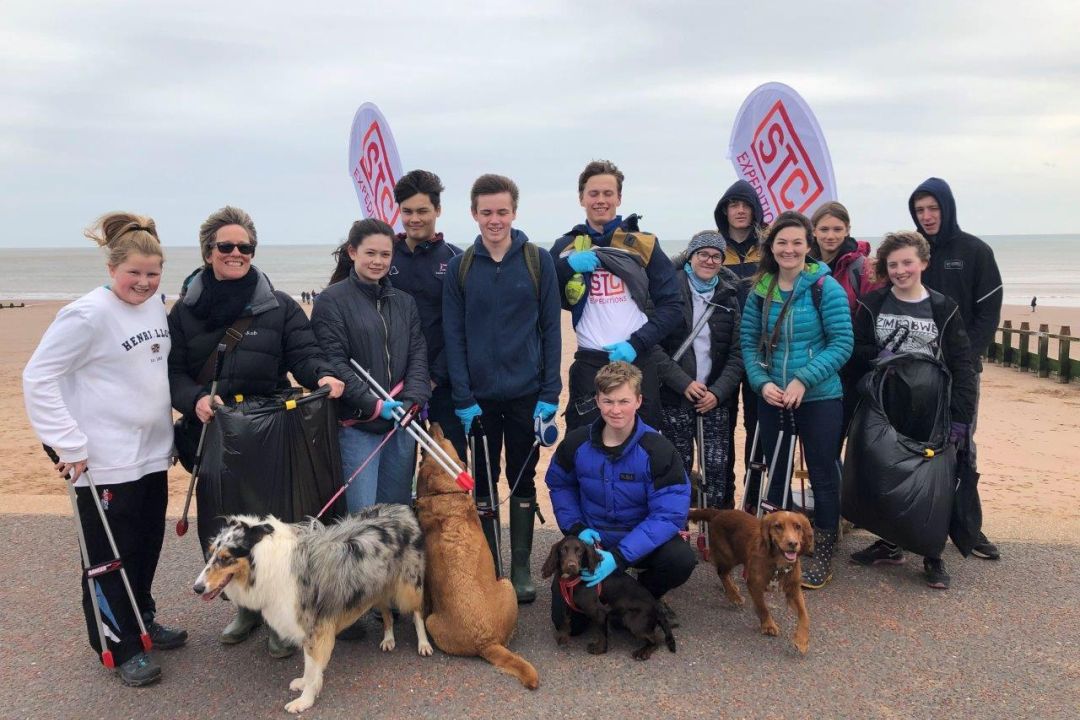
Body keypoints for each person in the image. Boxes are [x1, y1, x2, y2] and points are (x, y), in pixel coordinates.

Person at [167, 206, 344, 658]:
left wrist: (322, 374)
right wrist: (194, 400)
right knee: (224, 523)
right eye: (226, 246)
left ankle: (275, 616)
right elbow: (174, 374)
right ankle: (242, 607)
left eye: (245, 247)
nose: (236, 253)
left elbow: (304, 353)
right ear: (209, 252)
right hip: (215, 432)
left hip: (272, 428)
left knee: (270, 524)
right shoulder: (184, 314)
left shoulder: (279, 305)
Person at [24, 213, 185, 686]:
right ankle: (118, 645)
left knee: (146, 546)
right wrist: (68, 444)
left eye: (153, 273)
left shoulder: (156, 304)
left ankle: (142, 617)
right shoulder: (86, 314)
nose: (143, 282)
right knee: (108, 557)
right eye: (133, 272)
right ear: (112, 269)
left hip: (151, 455)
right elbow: (38, 378)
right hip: (101, 463)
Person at [443, 174, 562, 603]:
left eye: (502, 211)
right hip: (478, 399)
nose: (495, 219)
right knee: (485, 481)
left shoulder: (537, 260)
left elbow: (551, 329)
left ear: (514, 211)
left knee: (523, 475)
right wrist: (463, 398)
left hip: (527, 394)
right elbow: (453, 336)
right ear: (474, 213)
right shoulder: (461, 266)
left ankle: (520, 570)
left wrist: (550, 393)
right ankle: (493, 566)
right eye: (486, 212)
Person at [848, 231, 977, 589]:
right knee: (884, 474)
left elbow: (962, 364)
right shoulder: (873, 303)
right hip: (885, 401)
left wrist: (961, 418)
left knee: (931, 478)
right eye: (893, 265)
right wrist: (878, 358)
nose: (901, 270)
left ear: (923, 262)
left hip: (931, 402)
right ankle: (890, 543)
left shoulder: (942, 306)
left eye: (907, 262)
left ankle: (932, 555)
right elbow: (856, 351)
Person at [740, 211, 853, 589]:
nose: (789, 249)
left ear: (809, 245)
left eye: (796, 242)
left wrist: (804, 379)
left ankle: (821, 549)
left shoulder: (825, 287)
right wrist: (760, 382)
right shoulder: (761, 290)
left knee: (823, 473)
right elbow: (749, 345)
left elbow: (842, 344)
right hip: (773, 397)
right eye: (781, 242)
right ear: (771, 247)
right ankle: (772, 549)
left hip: (820, 397)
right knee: (777, 472)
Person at [545, 361, 694, 634]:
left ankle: (643, 597)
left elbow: (669, 513)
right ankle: (609, 594)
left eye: (624, 401)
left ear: (638, 401)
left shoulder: (659, 449)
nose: (615, 410)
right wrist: (577, 528)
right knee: (569, 627)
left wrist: (620, 556)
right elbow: (559, 485)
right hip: (594, 542)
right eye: (608, 401)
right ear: (597, 401)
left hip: (639, 540)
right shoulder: (576, 443)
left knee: (680, 559)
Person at [550, 159, 682, 432]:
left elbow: (673, 305)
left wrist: (637, 343)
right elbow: (543, 292)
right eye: (593, 193)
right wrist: (566, 266)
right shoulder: (565, 246)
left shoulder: (643, 244)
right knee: (584, 447)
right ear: (581, 198)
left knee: (643, 447)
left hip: (637, 359)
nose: (601, 200)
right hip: (589, 363)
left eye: (608, 193)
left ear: (619, 198)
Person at [909, 178, 1003, 560]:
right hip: (916, 371)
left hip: (961, 371)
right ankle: (900, 529)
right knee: (912, 444)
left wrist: (963, 358)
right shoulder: (911, 251)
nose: (927, 216)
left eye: (933, 208)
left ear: (947, 208)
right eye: (919, 210)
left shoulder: (975, 251)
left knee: (961, 445)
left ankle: (967, 529)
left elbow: (988, 312)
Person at [312, 218, 431, 510]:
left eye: (385, 254)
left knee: (395, 514)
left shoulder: (404, 302)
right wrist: (373, 404)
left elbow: (417, 353)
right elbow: (334, 361)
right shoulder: (331, 301)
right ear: (353, 252)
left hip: (400, 423)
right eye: (370, 253)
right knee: (362, 517)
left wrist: (413, 399)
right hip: (357, 425)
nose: (378, 261)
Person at [655, 230, 744, 508]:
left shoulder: (729, 297)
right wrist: (683, 383)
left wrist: (717, 393)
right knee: (677, 471)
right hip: (674, 396)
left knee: (717, 473)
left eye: (716, 256)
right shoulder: (668, 291)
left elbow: (738, 352)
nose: (709, 260)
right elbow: (654, 347)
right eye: (703, 254)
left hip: (715, 399)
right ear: (690, 257)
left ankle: (716, 536)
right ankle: (676, 532)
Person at [388, 170, 465, 459]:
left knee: (448, 471)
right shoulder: (385, 257)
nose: (414, 219)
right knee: (398, 474)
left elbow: (461, 327)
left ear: (438, 210)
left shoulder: (456, 260)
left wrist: (434, 378)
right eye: (407, 211)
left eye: (422, 210)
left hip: (443, 385)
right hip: (395, 385)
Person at [809, 201, 883, 449]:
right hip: (814, 358)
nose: (831, 236)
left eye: (837, 229)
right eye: (825, 229)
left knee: (849, 436)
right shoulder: (804, 265)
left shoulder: (862, 267)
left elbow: (872, 315)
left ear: (848, 230)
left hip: (851, 363)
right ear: (814, 231)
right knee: (820, 439)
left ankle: (846, 487)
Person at [713, 180, 766, 510]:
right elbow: (679, 265)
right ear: (724, 211)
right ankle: (723, 501)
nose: (740, 210)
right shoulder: (715, 248)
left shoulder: (769, 246)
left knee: (757, 426)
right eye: (733, 204)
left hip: (762, 349)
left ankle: (753, 499)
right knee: (723, 426)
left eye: (745, 204)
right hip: (724, 350)